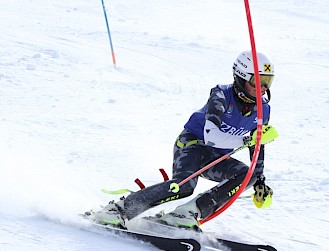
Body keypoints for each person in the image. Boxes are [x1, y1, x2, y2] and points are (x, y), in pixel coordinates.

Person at [91, 50, 278, 230]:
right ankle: (117, 209)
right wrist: (248, 139)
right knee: (184, 186)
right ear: (240, 76)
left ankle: (188, 213)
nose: (262, 88)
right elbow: (211, 136)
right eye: (257, 81)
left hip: (216, 157)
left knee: (247, 176)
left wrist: (260, 180)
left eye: (267, 82)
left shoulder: (263, 110)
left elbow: (257, 145)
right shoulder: (221, 95)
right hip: (193, 145)